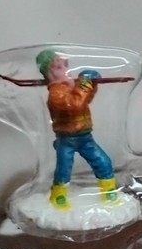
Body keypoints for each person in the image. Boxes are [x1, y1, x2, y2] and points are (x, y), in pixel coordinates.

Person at [35, 49, 117, 210]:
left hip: (85, 136)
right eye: (59, 67)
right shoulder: (56, 92)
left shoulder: (69, 87)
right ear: (49, 73)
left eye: (65, 66)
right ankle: (58, 194)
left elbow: (85, 100)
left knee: (103, 161)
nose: (66, 71)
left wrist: (91, 85)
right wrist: (84, 84)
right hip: (67, 139)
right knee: (64, 169)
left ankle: (109, 190)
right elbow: (75, 105)